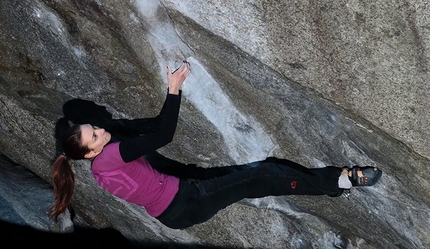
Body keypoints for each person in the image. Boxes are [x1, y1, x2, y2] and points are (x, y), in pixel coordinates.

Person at [51, 61, 382, 229]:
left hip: (176, 209)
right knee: (263, 174)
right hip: (188, 202)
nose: (98, 127)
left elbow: (152, 127)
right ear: (92, 152)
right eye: (93, 135)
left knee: (249, 178)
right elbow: (164, 135)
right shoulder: (110, 154)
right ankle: (339, 181)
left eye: (91, 126)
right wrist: (174, 88)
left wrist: (163, 104)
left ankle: (332, 184)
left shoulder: (98, 167)